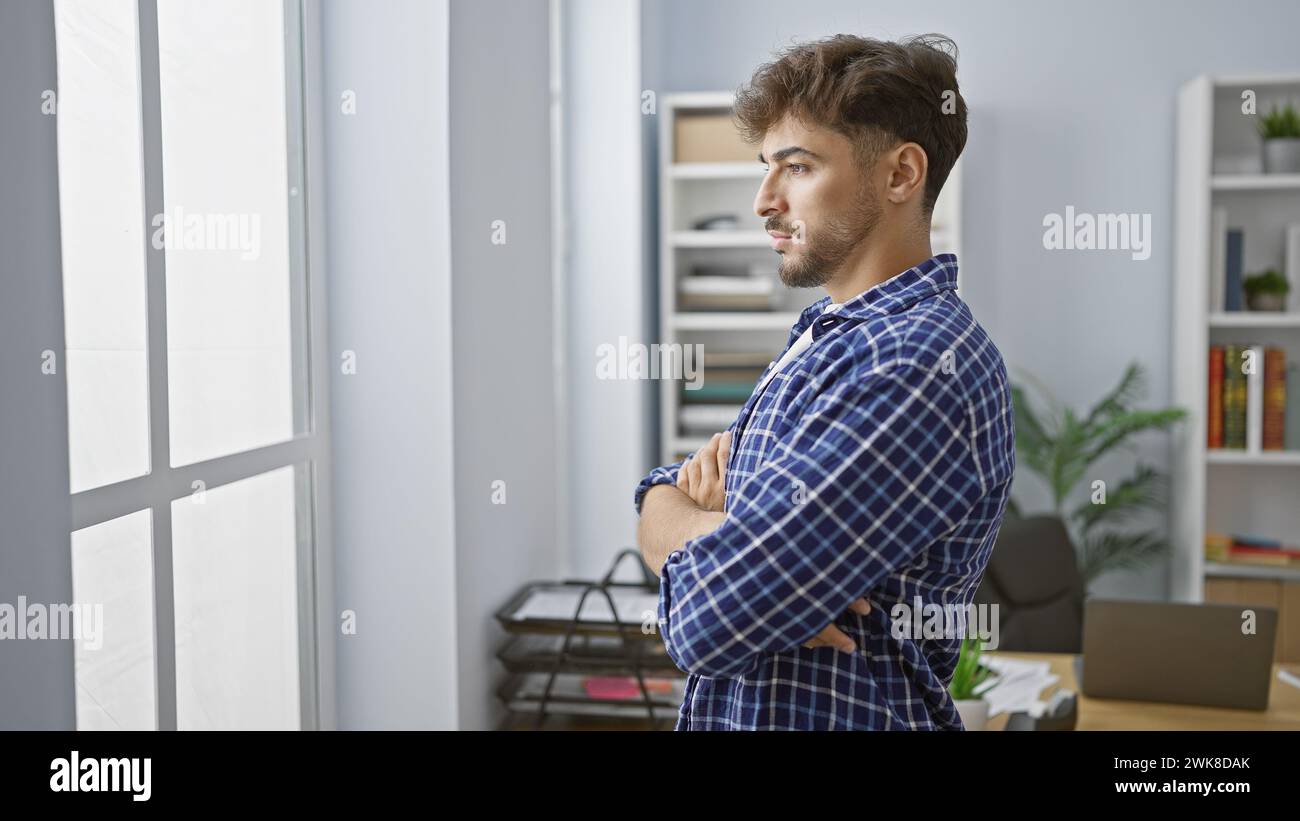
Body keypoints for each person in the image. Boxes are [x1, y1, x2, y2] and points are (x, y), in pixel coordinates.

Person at [634, 33, 1015, 730]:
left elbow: (709, 620)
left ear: (901, 175)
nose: (763, 200)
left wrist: (722, 554)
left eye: (797, 167)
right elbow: (667, 497)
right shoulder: (828, 337)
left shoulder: (917, 361)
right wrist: (691, 519)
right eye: (764, 168)